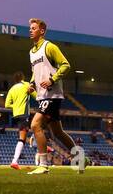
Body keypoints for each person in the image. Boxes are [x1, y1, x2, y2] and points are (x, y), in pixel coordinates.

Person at [25, 18, 83, 174]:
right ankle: (81, 158)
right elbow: (35, 72)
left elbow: (66, 65)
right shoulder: (31, 52)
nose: (30, 30)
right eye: (30, 28)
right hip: (42, 96)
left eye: (33, 28)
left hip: (53, 95)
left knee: (35, 125)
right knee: (58, 132)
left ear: (41, 31)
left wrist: (52, 79)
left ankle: (43, 165)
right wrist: (32, 83)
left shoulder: (49, 47)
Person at [5, 72, 34, 169]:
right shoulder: (26, 84)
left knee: (24, 136)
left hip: (16, 115)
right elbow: (35, 94)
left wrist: (16, 106)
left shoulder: (12, 89)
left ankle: (15, 161)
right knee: (22, 139)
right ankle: (14, 161)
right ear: (23, 78)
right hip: (24, 114)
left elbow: (7, 105)